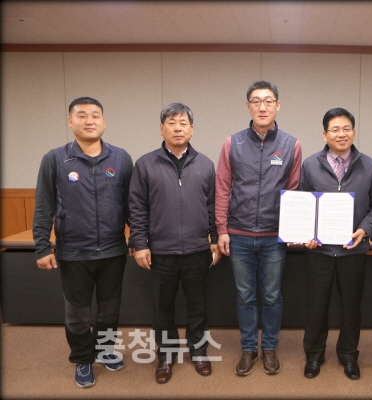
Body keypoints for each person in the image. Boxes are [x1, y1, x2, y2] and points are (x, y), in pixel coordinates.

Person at [33, 97, 133, 388]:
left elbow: (132, 205)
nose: (89, 120)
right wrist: (42, 246)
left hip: (113, 250)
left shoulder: (120, 158)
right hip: (73, 252)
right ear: (70, 121)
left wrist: (138, 239)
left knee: (110, 310)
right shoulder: (55, 159)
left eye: (95, 115)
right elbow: (44, 206)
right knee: (77, 313)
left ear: (103, 121)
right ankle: (82, 358)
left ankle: (103, 349)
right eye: (82, 115)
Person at [128, 103, 220, 384]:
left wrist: (215, 239)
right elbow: (137, 207)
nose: (177, 128)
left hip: (197, 249)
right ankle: (166, 356)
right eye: (171, 123)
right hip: (161, 251)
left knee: (198, 306)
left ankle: (199, 351)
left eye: (183, 123)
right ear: (161, 129)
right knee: (163, 308)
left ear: (192, 129)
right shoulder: (145, 164)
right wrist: (140, 243)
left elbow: (212, 206)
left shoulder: (205, 164)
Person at [215, 81, 302, 376]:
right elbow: (223, 187)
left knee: (273, 295)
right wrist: (222, 228)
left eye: (268, 101)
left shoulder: (291, 145)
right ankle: (249, 348)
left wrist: (292, 229)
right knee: (245, 296)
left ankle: (270, 348)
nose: (262, 107)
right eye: (256, 101)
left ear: (278, 105)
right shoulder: (232, 143)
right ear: (248, 106)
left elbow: (293, 190)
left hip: (273, 237)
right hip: (238, 235)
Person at [300, 107, 372, 380]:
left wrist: (365, 229)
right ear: (324, 134)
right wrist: (307, 233)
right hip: (320, 251)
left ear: (354, 132)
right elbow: (302, 204)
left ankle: (348, 355)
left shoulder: (369, 166)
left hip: (354, 250)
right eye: (335, 129)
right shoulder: (310, 165)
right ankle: (314, 355)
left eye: (346, 128)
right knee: (316, 306)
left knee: (351, 308)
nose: (341, 134)